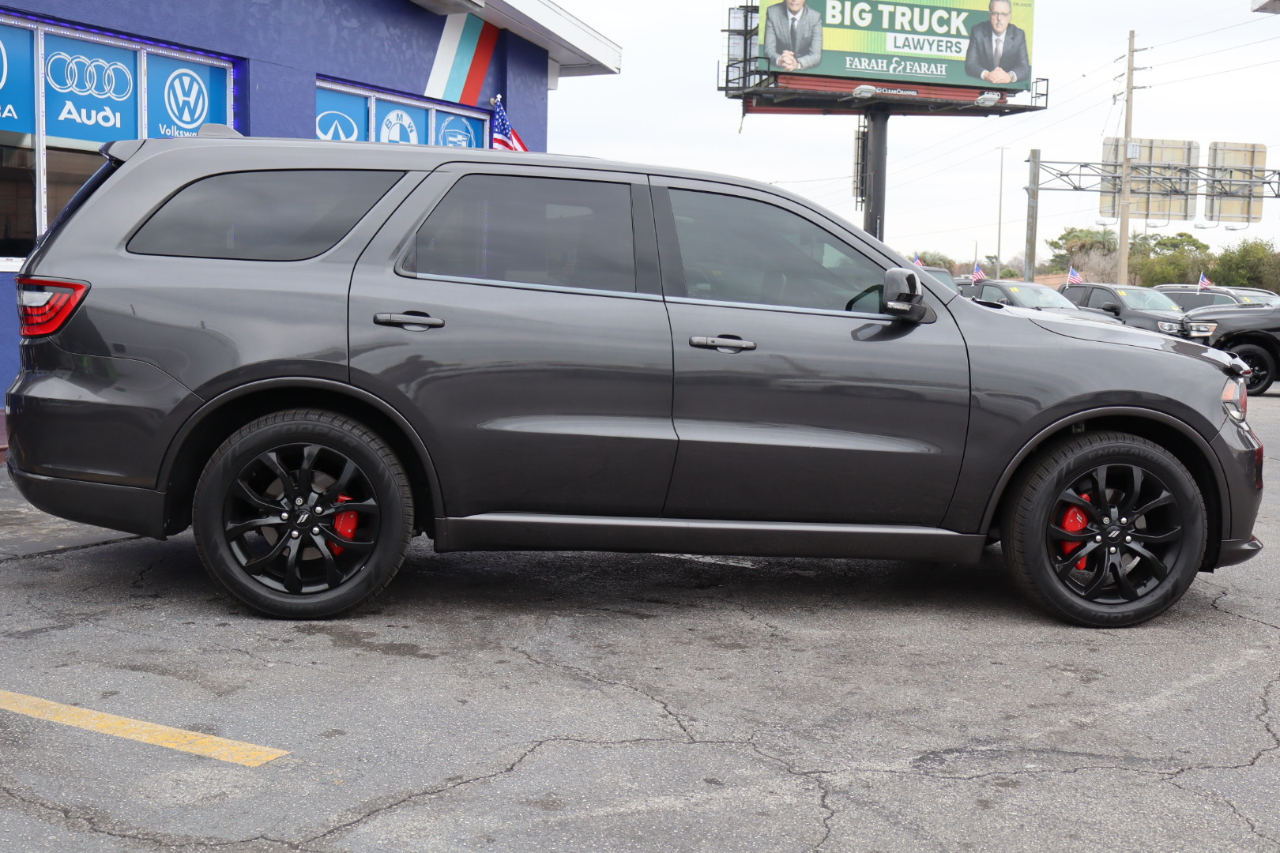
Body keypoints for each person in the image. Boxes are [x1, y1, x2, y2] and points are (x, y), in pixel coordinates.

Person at [964, 0, 1030, 85]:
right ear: (989, 15)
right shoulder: (977, 31)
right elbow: (970, 64)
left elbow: (1024, 68)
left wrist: (1009, 76)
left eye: (1004, 14)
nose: (999, 18)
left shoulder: (1019, 35)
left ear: (1009, 16)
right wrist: (986, 75)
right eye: (995, 13)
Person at [764, 0, 823, 72]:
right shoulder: (772, 12)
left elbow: (816, 56)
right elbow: (769, 50)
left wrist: (796, 63)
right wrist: (780, 60)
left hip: (803, 71)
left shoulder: (815, 17)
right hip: (780, 68)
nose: (794, 0)